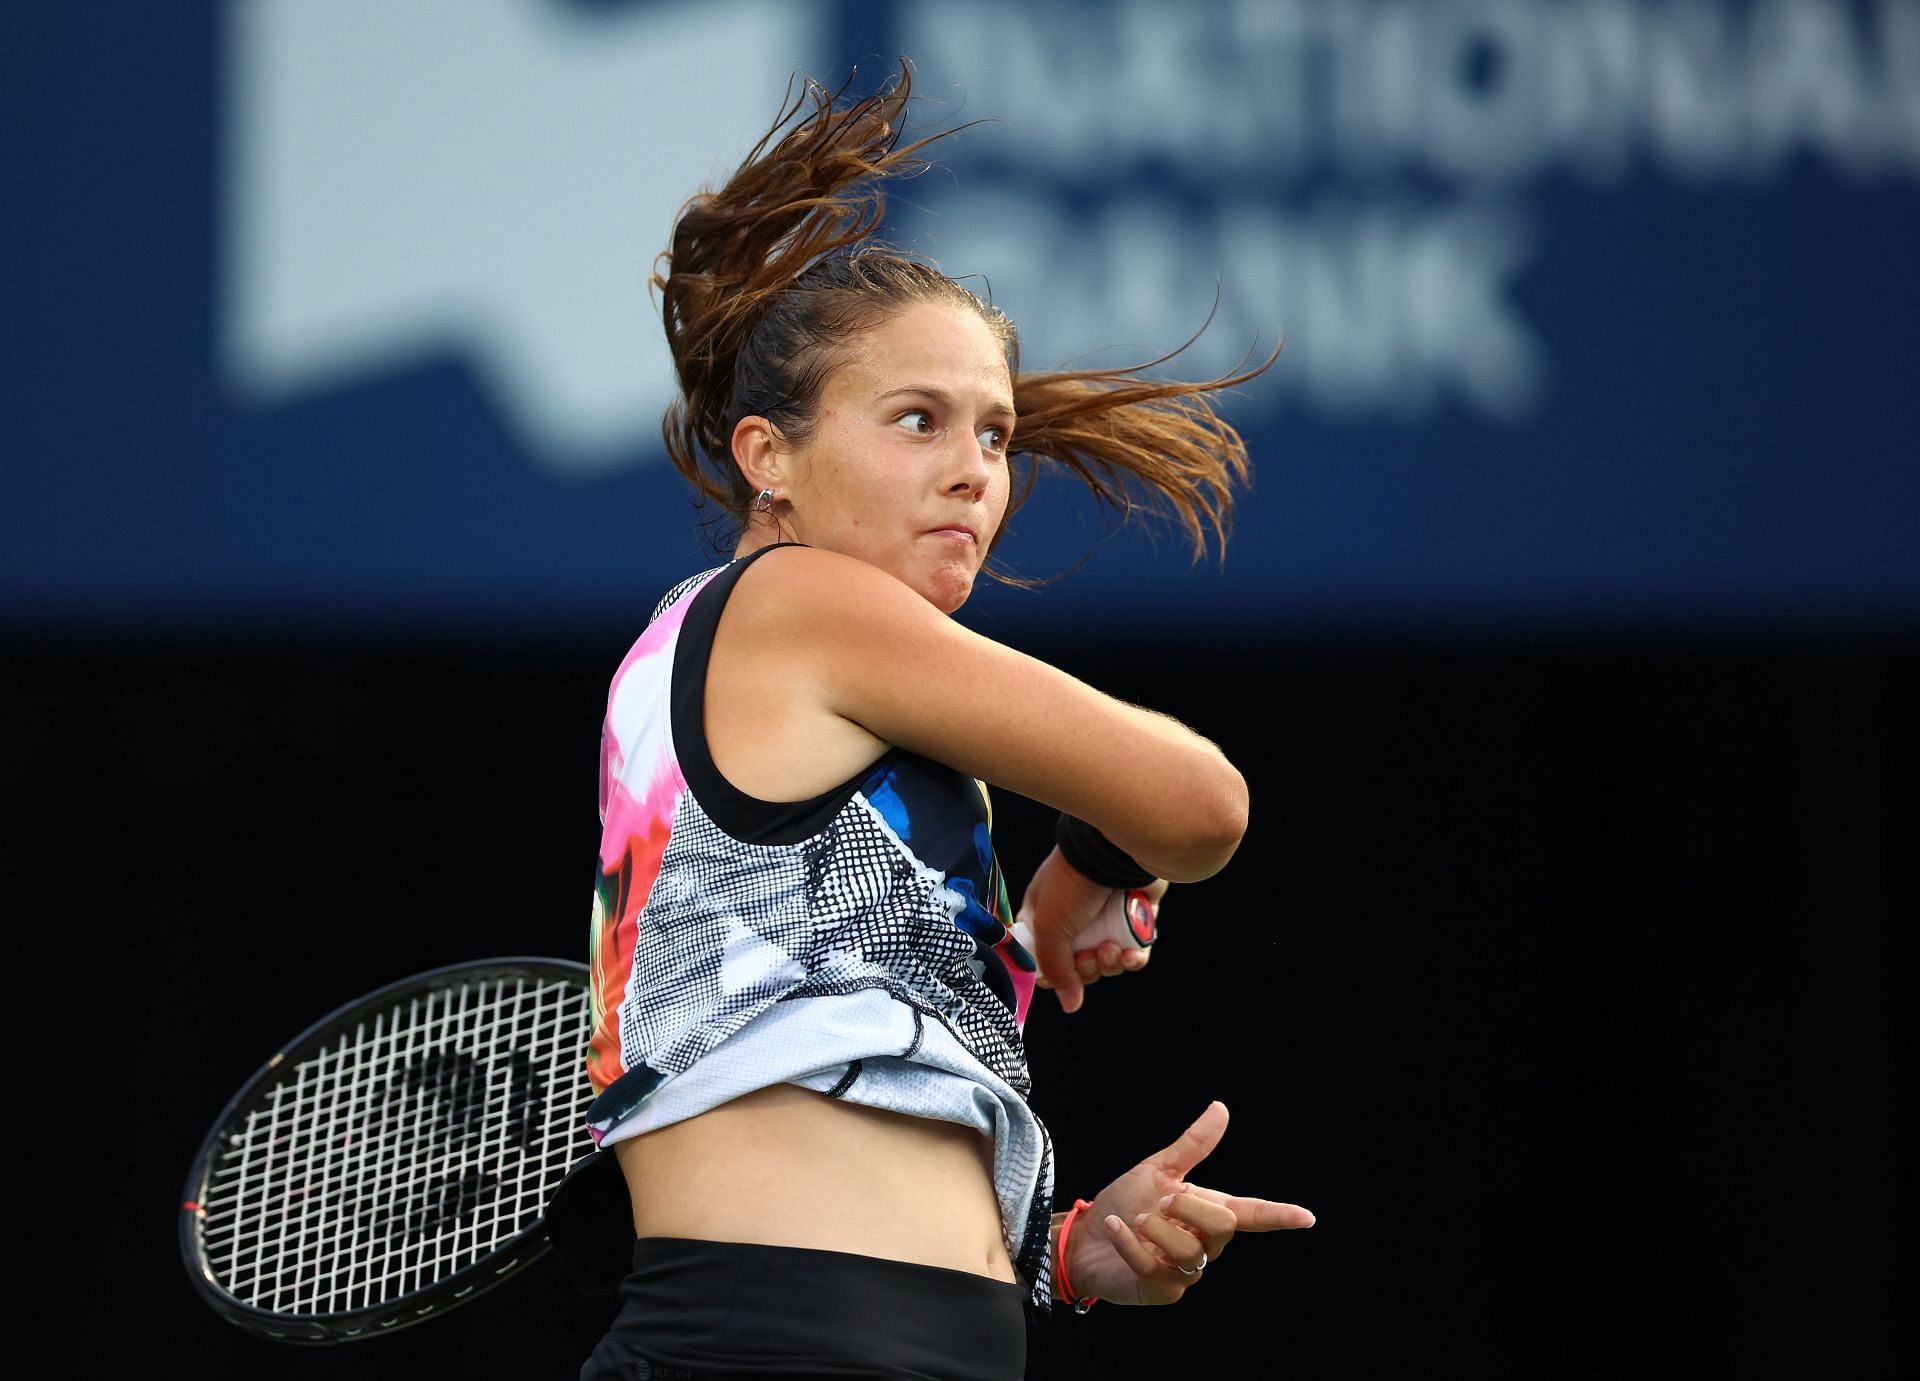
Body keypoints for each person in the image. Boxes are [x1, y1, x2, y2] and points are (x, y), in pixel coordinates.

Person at [558, 65, 1314, 1380]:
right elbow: (1203, 804)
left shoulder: (810, 700)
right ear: (766, 456)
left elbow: (840, 1056)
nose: (975, 469)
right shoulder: (797, 606)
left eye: (996, 433)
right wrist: (1106, 853)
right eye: (916, 421)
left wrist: (1065, 1244)